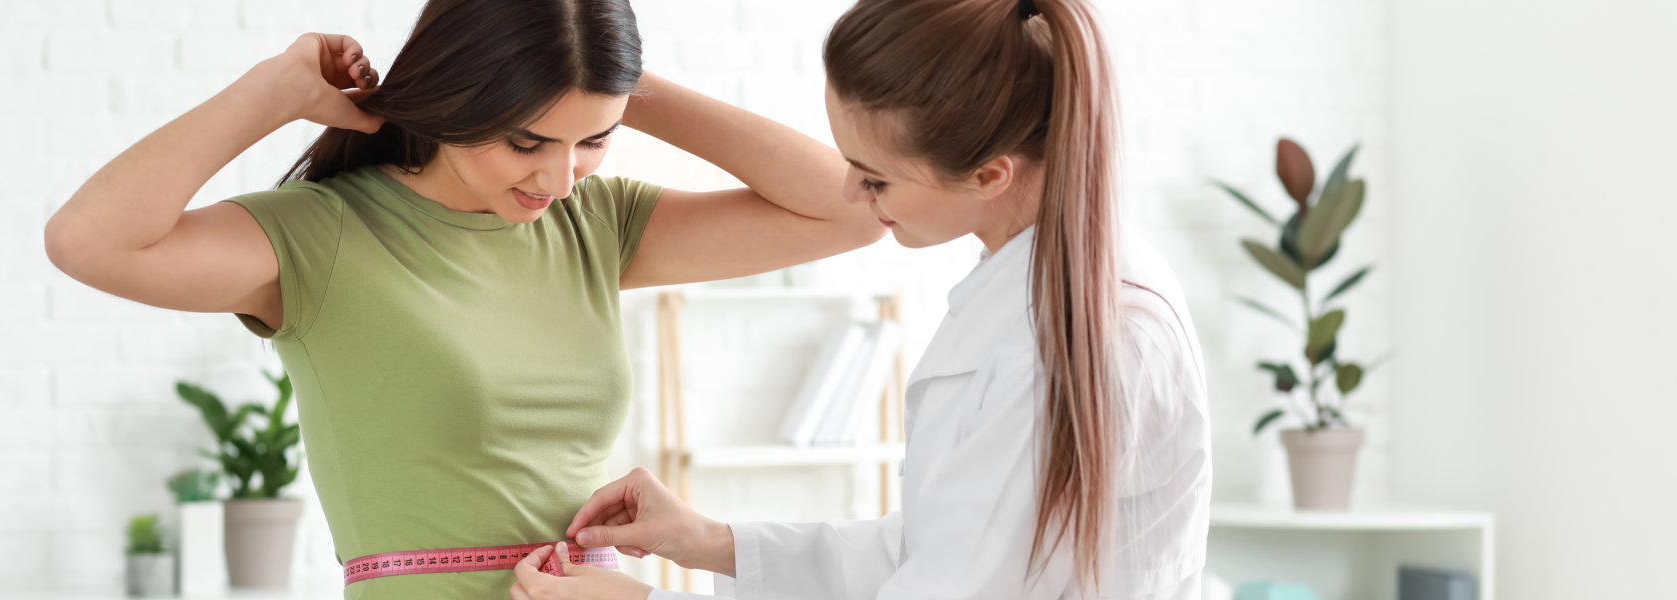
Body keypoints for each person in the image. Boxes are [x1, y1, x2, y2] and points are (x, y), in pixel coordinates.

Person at [42, 1, 882, 598]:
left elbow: (852, 208)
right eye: (527, 142)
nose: (558, 178)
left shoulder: (595, 220)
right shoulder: (326, 237)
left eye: (593, 140)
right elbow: (89, 241)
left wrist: (608, 76)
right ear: (456, 100)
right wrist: (273, 92)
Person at [506, 0, 1211, 599]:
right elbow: (928, 550)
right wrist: (712, 542)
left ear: (990, 173)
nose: (850, 196)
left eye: (874, 180)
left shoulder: (1067, 342)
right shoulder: (1036, 291)